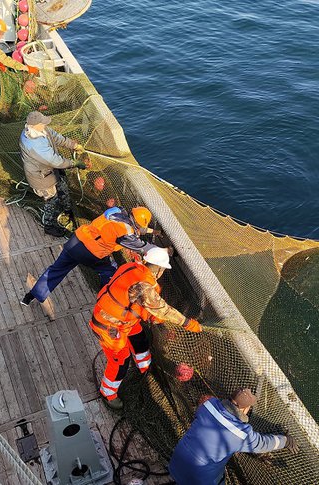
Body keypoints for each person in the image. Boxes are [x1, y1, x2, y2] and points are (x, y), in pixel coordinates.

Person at [90, 246, 202, 410]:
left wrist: (151, 315)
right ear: (160, 269)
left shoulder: (132, 267)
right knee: (121, 360)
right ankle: (108, 393)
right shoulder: (143, 286)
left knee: (139, 339)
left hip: (124, 322)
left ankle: (144, 367)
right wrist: (187, 323)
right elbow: (164, 310)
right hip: (109, 327)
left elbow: (134, 301)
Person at [20, 206, 159, 305]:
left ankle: (30, 296)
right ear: (137, 224)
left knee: (56, 270)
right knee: (110, 272)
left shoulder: (115, 211)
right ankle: (104, 301)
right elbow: (143, 246)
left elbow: (134, 226)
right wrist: (165, 250)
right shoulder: (126, 232)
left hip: (75, 242)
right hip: (91, 253)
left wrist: (154, 232)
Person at [168, 388, 298, 484]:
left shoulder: (208, 405)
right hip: (198, 479)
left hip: (175, 464)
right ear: (244, 409)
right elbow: (263, 444)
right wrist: (286, 441)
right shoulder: (241, 433)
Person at [20, 110, 86, 236]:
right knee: (51, 200)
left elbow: (56, 137)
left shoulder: (42, 130)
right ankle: (49, 225)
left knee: (63, 188)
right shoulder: (33, 143)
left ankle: (67, 210)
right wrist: (74, 163)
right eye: (42, 123)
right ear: (33, 125)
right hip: (41, 177)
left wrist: (74, 145)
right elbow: (55, 161)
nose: (45, 124)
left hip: (52, 171)